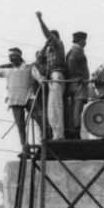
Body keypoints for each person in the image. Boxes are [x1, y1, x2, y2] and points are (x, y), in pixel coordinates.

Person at [0, 47, 37, 148]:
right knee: (20, 125)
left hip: (29, 97)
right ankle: (25, 146)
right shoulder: (8, 71)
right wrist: (8, 65)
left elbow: (39, 78)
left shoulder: (29, 68)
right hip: (15, 99)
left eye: (13, 56)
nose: (11, 58)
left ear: (19, 56)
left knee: (38, 117)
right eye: (10, 56)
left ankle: (43, 137)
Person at [36, 12, 66, 140]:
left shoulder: (58, 44)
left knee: (55, 105)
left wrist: (40, 19)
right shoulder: (49, 50)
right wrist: (45, 46)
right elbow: (38, 59)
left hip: (56, 75)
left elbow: (47, 33)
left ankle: (59, 135)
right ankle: (56, 133)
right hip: (51, 77)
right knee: (52, 107)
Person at [65, 31, 89, 139]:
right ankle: (76, 133)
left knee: (74, 109)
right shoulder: (77, 50)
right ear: (80, 40)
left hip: (73, 84)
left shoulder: (71, 50)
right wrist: (77, 76)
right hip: (79, 84)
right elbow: (71, 61)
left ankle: (74, 131)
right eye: (84, 40)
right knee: (78, 109)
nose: (85, 42)